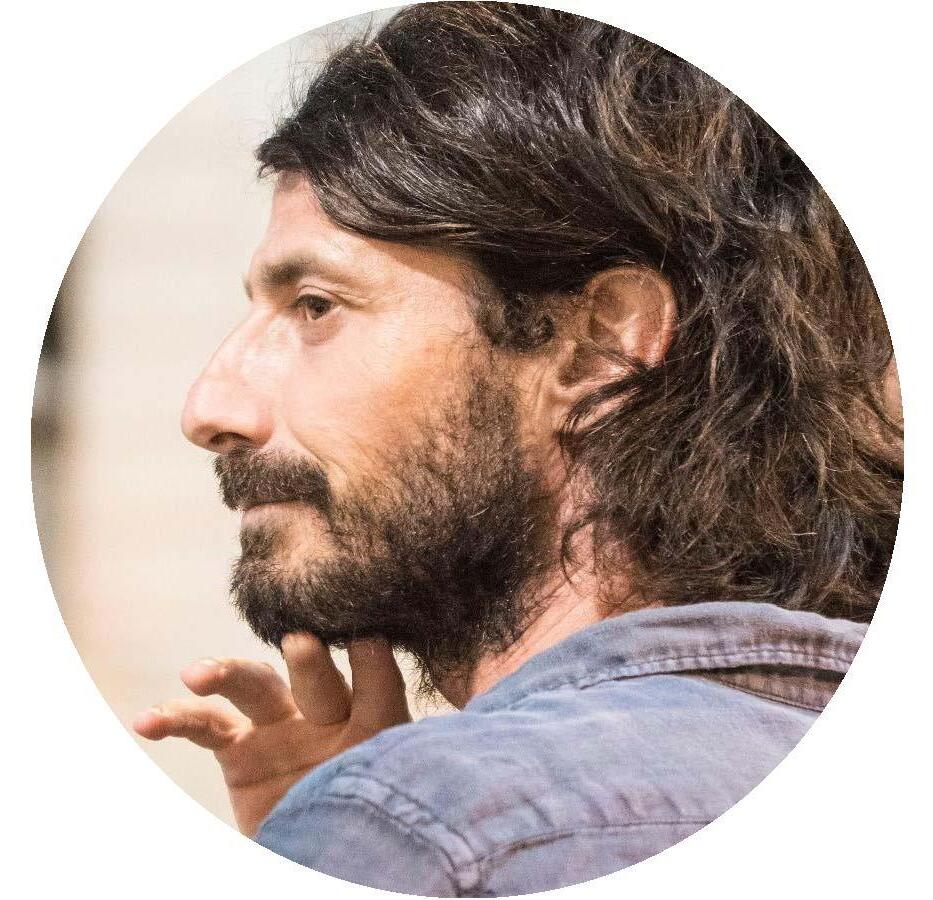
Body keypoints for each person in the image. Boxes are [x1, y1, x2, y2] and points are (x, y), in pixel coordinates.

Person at [133, 3, 902, 894]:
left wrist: (376, 833)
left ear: (598, 344)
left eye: (315, 306)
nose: (209, 408)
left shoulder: (420, 826)